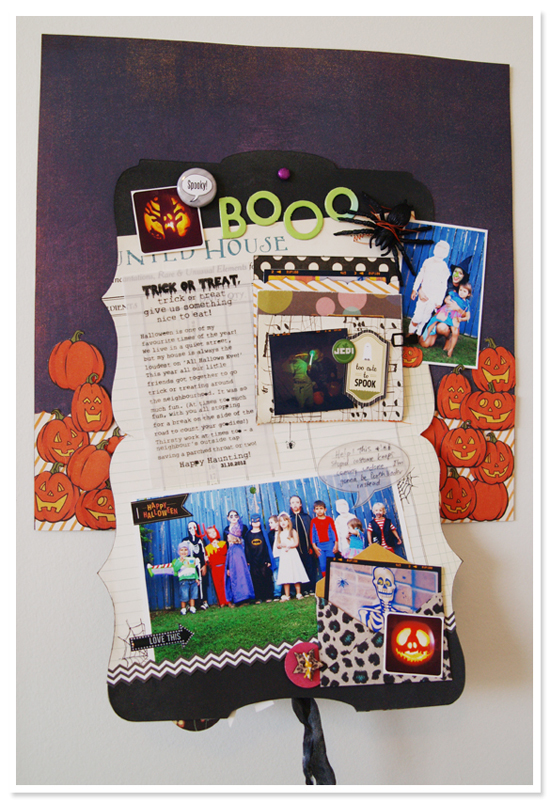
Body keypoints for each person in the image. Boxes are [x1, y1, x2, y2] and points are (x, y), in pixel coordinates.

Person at [407, 240, 451, 338]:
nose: (440, 252)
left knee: (425, 317)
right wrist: (415, 289)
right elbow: (420, 276)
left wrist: (439, 301)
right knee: (418, 315)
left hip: (433, 297)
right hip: (424, 294)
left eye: (443, 251)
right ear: (434, 250)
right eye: (438, 249)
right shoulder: (428, 262)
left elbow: (443, 286)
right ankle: (410, 332)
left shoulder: (444, 267)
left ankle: (418, 334)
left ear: (446, 254)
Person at [421, 283, 472, 358]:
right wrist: (449, 302)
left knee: (455, 332)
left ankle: (451, 349)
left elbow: (467, 317)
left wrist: (461, 319)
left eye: (464, 291)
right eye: (460, 290)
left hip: (455, 317)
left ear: (468, 294)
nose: (461, 292)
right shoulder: (454, 294)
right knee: (434, 320)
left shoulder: (466, 304)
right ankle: (426, 335)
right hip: (446, 312)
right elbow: (446, 299)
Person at [273, 512, 309, 601]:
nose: (283, 523)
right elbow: (277, 545)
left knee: (295, 571)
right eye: (281, 521)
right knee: (285, 573)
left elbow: (296, 543)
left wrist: (289, 546)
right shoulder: (279, 533)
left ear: (288, 521)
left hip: (292, 554)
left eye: (285, 520)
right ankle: (287, 595)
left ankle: (298, 593)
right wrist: (281, 545)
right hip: (284, 555)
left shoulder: (292, 531)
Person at [223, 511, 255, 605]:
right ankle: (237, 598)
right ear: (228, 518)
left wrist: (248, 557)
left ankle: (247, 597)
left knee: (244, 575)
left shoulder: (243, 527)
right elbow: (227, 546)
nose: (233, 518)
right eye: (231, 516)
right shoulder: (226, 530)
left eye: (235, 516)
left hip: (242, 553)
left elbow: (247, 542)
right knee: (234, 576)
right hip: (232, 555)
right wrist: (228, 566)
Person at [288, 495, 317, 594]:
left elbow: (312, 532)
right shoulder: (290, 519)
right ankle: (303, 589)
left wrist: (312, 546)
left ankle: (312, 587)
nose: (295, 504)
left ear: (300, 504)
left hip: (308, 547)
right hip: (296, 549)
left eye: (297, 502)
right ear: (290, 505)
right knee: (300, 567)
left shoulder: (306, 517)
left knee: (310, 566)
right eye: (292, 502)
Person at [244, 514, 273, 603]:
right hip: (253, 560)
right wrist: (248, 560)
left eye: (257, 521)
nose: (256, 523)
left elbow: (267, 547)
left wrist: (268, 559)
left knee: (266, 577)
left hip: (263, 559)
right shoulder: (248, 535)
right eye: (254, 521)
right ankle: (258, 597)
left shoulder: (263, 533)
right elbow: (247, 548)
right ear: (251, 522)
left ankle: (268, 596)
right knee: (256, 579)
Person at [310, 500, 338, 577]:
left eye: (321, 508)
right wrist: (314, 546)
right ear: (314, 510)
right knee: (323, 565)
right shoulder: (314, 521)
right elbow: (312, 534)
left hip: (330, 544)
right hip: (320, 546)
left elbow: (333, 532)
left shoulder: (329, 519)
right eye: (317, 509)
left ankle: (333, 579)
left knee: (331, 563)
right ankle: (325, 580)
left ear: (325, 510)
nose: (319, 510)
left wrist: (336, 544)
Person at [172, 541, 200, 615]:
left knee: (193, 594)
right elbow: (176, 569)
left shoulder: (191, 559)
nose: (184, 552)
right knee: (184, 595)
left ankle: (192, 607)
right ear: (179, 552)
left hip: (193, 579)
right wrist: (180, 562)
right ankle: (183, 608)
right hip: (184, 580)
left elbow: (194, 569)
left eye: (185, 550)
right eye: (181, 550)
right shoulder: (178, 560)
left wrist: (196, 578)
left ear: (188, 551)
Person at [186, 521, 209, 610]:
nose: (192, 530)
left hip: (201, 565)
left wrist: (205, 565)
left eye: (194, 527)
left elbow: (204, 554)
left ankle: (204, 601)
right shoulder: (186, 540)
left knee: (203, 583)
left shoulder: (201, 540)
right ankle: (191, 604)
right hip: (190, 566)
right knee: (191, 583)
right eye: (190, 528)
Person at [204, 525, 228, 607]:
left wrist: (217, 547)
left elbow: (224, 554)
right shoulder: (207, 548)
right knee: (218, 585)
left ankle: (228, 601)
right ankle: (221, 602)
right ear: (208, 535)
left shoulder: (223, 543)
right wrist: (206, 560)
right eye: (210, 533)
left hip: (223, 567)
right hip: (214, 568)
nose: (212, 534)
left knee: (226, 584)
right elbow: (209, 561)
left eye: (214, 531)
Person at [267, 514, 283, 600]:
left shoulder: (283, 532)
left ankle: (289, 591)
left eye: (271, 522)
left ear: (277, 522)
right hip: (275, 557)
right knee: (276, 575)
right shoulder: (270, 534)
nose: (270, 524)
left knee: (286, 573)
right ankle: (277, 592)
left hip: (284, 555)